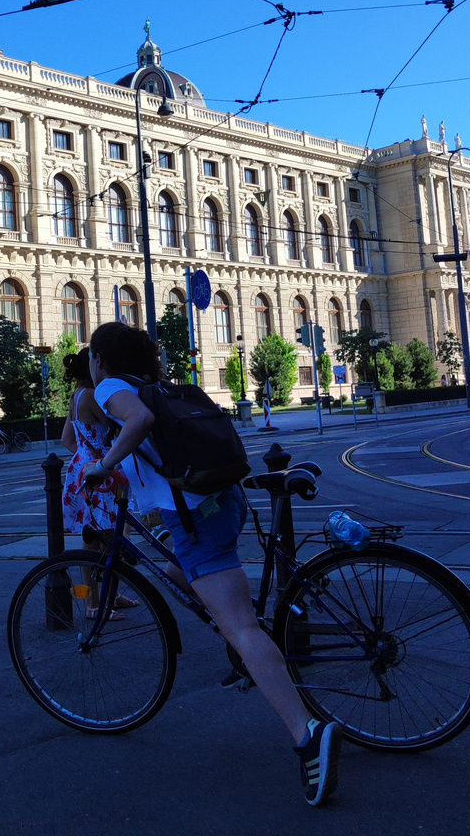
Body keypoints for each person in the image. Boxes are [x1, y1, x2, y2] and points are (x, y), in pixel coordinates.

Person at [80, 321, 342, 807]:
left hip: (198, 516)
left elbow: (138, 424)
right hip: (221, 499)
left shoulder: (113, 387)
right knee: (191, 576)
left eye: (91, 356)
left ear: (101, 359)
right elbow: (156, 449)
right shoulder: (153, 385)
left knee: (242, 628)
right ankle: (256, 640)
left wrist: (101, 463)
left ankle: (307, 734)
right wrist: (118, 473)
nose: (90, 365)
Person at [59, 349, 136, 620]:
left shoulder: (77, 395)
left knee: (93, 539)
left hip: (85, 468)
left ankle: (105, 597)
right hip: (99, 472)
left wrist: (84, 456)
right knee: (102, 541)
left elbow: (67, 439)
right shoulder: (92, 396)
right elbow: (118, 425)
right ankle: (94, 603)